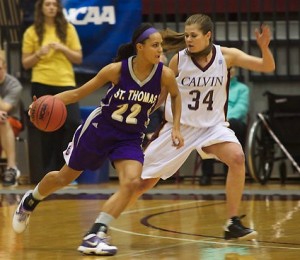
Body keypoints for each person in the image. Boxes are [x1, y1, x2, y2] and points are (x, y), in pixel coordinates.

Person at [12, 24, 184, 256]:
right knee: (64, 177)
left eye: (161, 46)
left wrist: (175, 127)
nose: (160, 50)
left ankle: (96, 233)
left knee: (132, 183)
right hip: (100, 129)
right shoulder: (115, 70)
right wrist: (42, 102)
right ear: (139, 48)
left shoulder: (164, 74)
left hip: (130, 137)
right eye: (155, 45)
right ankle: (31, 200)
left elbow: (175, 95)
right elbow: (76, 94)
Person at [21, 0, 82, 175]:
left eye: (54, 5)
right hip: (41, 82)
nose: (51, 7)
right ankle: (48, 172)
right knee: (45, 127)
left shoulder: (68, 29)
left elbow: (78, 58)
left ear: (58, 8)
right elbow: (25, 63)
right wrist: (38, 54)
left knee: (72, 123)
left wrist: (63, 48)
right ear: (41, 8)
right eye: (47, 4)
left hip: (65, 83)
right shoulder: (32, 32)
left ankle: (66, 169)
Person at [200, 67, 250, 185]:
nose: (229, 70)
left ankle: (230, 170)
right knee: (202, 129)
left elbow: (242, 108)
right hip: (214, 121)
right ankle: (206, 173)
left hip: (232, 121)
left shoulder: (242, 89)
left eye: (231, 68)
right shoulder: (212, 87)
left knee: (236, 126)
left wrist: (225, 119)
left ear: (235, 71)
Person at [0, 54, 23, 186]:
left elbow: (5, 108)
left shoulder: (14, 85)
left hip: (12, 123)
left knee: (2, 120)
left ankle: (11, 168)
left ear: (5, 67)